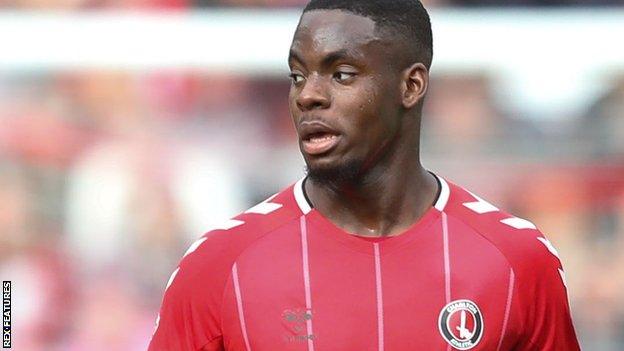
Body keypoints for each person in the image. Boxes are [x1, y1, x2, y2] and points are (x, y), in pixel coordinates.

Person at [148, 1, 580, 350]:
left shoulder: (516, 259)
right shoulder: (220, 265)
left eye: (341, 74)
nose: (309, 95)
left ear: (410, 86)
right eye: (298, 75)